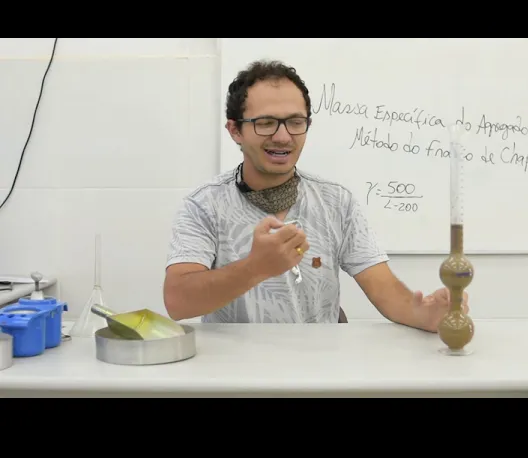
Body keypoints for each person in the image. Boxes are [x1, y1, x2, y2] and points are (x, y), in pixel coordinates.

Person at [163, 60, 469, 331]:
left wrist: (425, 314)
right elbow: (178, 302)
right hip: (236, 369)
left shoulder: (336, 202)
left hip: (323, 367)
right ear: (235, 130)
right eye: (265, 123)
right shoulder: (204, 205)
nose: (283, 136)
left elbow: (387, 291)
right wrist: (255, 267)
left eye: (296, 122)